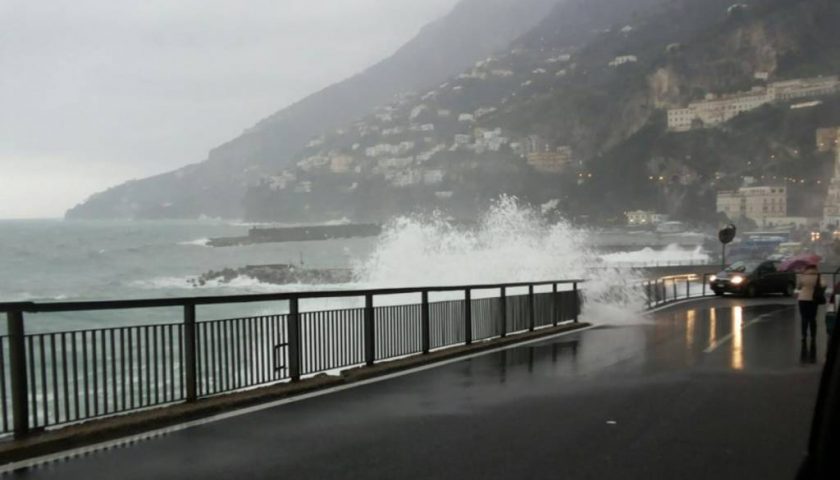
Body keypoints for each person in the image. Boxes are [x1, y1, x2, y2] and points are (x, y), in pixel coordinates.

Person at [796, 264, 821, 344]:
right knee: (812, 318)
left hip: (803, 299)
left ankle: (804, 335)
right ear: (815, 267)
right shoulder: (818, 276)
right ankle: (813, 336)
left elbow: (798, 287)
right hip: (814, 299)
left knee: (804, 318)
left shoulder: (803, 276)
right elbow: (824, 285)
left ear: (806, 268)